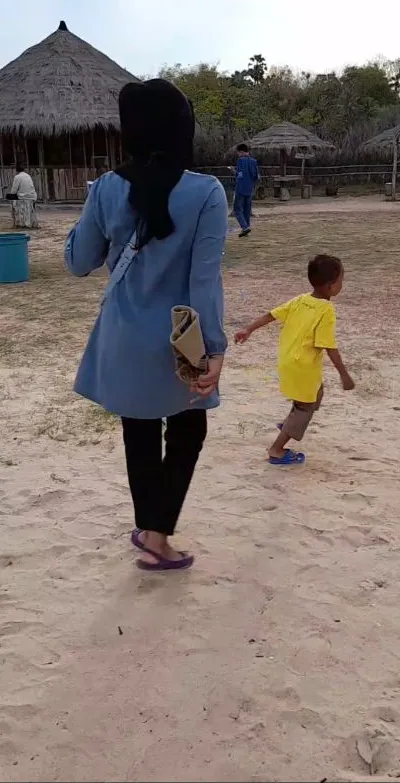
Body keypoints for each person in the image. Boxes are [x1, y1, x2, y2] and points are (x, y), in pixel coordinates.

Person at [64, 79, 228, 571]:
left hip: (123, 337)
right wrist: (215, 349)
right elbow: (204, 283)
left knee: (138, 433)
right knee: (187, 433)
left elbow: (77, 262)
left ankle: (150, 530)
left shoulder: (108, 187)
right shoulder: (206, 193)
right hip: (182, 339)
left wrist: (94, 207)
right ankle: (156, 536)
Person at [234, 254, 354, 465]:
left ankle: (288, 422)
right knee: (305, 409)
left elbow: (271, 315)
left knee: (315, 394)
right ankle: (277, 449)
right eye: (341, 280)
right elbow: (328, 346)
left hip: (288, 361)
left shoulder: (301, 300)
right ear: (329, 286)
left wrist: (249, 329)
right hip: (303, 366)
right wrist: (344, 374)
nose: (342, 284)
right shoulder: (326, 309)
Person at [233, 143, 259, 237]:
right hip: (249, 189)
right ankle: (246, 228)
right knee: (247, 210)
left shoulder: (240, 161)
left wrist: (233, 171)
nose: (238, 155)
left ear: (242, 152)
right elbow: (256, 176)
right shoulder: (254, 161)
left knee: (237, 210)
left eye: (238, 153)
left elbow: (239, 175)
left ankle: (245, 227)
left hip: (241, 188)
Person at [6, 161, 38, 229]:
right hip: (33, 196)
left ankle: (18, 221)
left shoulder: (17, 177)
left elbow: (13, 191)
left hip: (23, 196)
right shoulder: (28, 175)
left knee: (9, 196)